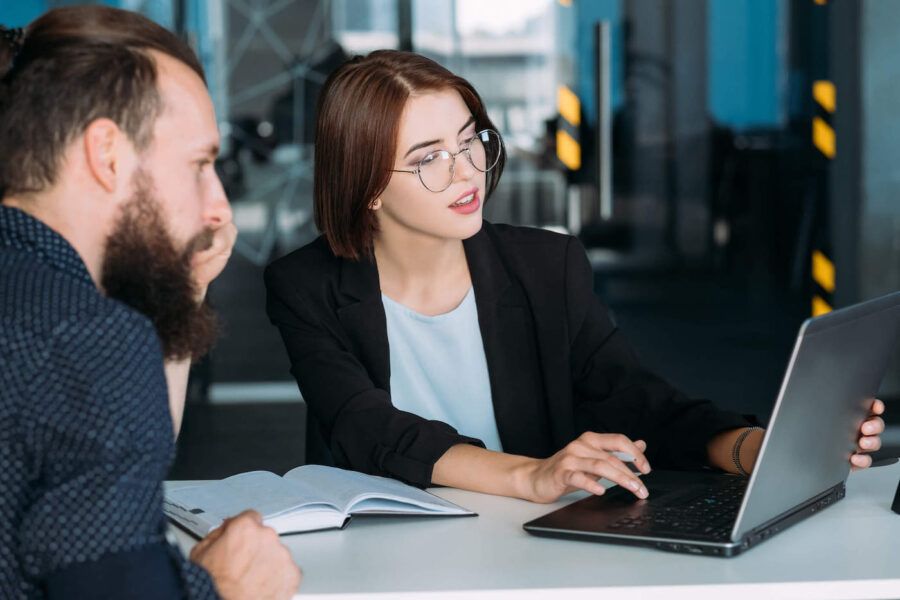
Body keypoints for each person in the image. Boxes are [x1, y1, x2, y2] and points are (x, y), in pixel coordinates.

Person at [265, 50, 885, 503]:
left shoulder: (544, 266)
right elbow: (362, 426)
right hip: (382, 555)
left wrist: (754, 448)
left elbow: (634, 400)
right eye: (429, 160)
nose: (466, 172)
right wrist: (529, 475)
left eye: (469, 141)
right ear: (368, 187)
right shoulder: (306, 286)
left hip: (527, 544)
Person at [0, 7, 299, 599]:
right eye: (199, 165)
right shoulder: (84, 335)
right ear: (107, 154)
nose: (217, 207)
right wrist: (222, 589)